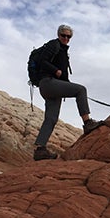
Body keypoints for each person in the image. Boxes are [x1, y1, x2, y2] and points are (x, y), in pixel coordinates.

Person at [33, 24, 104, 161]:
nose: (66, 38)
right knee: (81, 90)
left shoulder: (62, 50)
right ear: (58, 35)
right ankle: (88, 123)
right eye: (63, 35)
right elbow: (43, 62)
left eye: (68, 36)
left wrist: (66, 82)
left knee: (51, 119)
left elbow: (63, 75)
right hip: (48, 82)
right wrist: (55, 70)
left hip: (50, 87)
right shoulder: (54, 45)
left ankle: (40, 150)